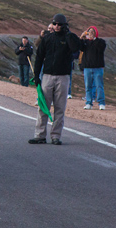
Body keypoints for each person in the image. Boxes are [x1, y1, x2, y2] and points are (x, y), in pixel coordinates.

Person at [29, 14, 82, 145]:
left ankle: (55, 136)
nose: (56, 26)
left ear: (64, 25)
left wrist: (69, 35)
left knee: (59, 107)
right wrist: (36, 76)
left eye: (59, 24)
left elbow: (76, 49)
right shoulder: (47, 38)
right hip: (47, 75)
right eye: (54, 23)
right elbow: (39, 57)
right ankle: (40, 135)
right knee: (43, 106)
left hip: (63, 77)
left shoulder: (69, 38)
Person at [80, 26, 107, 110]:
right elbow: (79, 47)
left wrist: (94, 39)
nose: (90, 33)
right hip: (87, 68)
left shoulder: (100, 42)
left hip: (98, 68)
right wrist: (81, 37)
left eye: (92, 31)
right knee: (88, 86)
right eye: (89, 31)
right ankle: (88, 102)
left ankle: (101, 103)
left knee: (99, 86)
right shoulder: (85, 43)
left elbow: (100, 48)